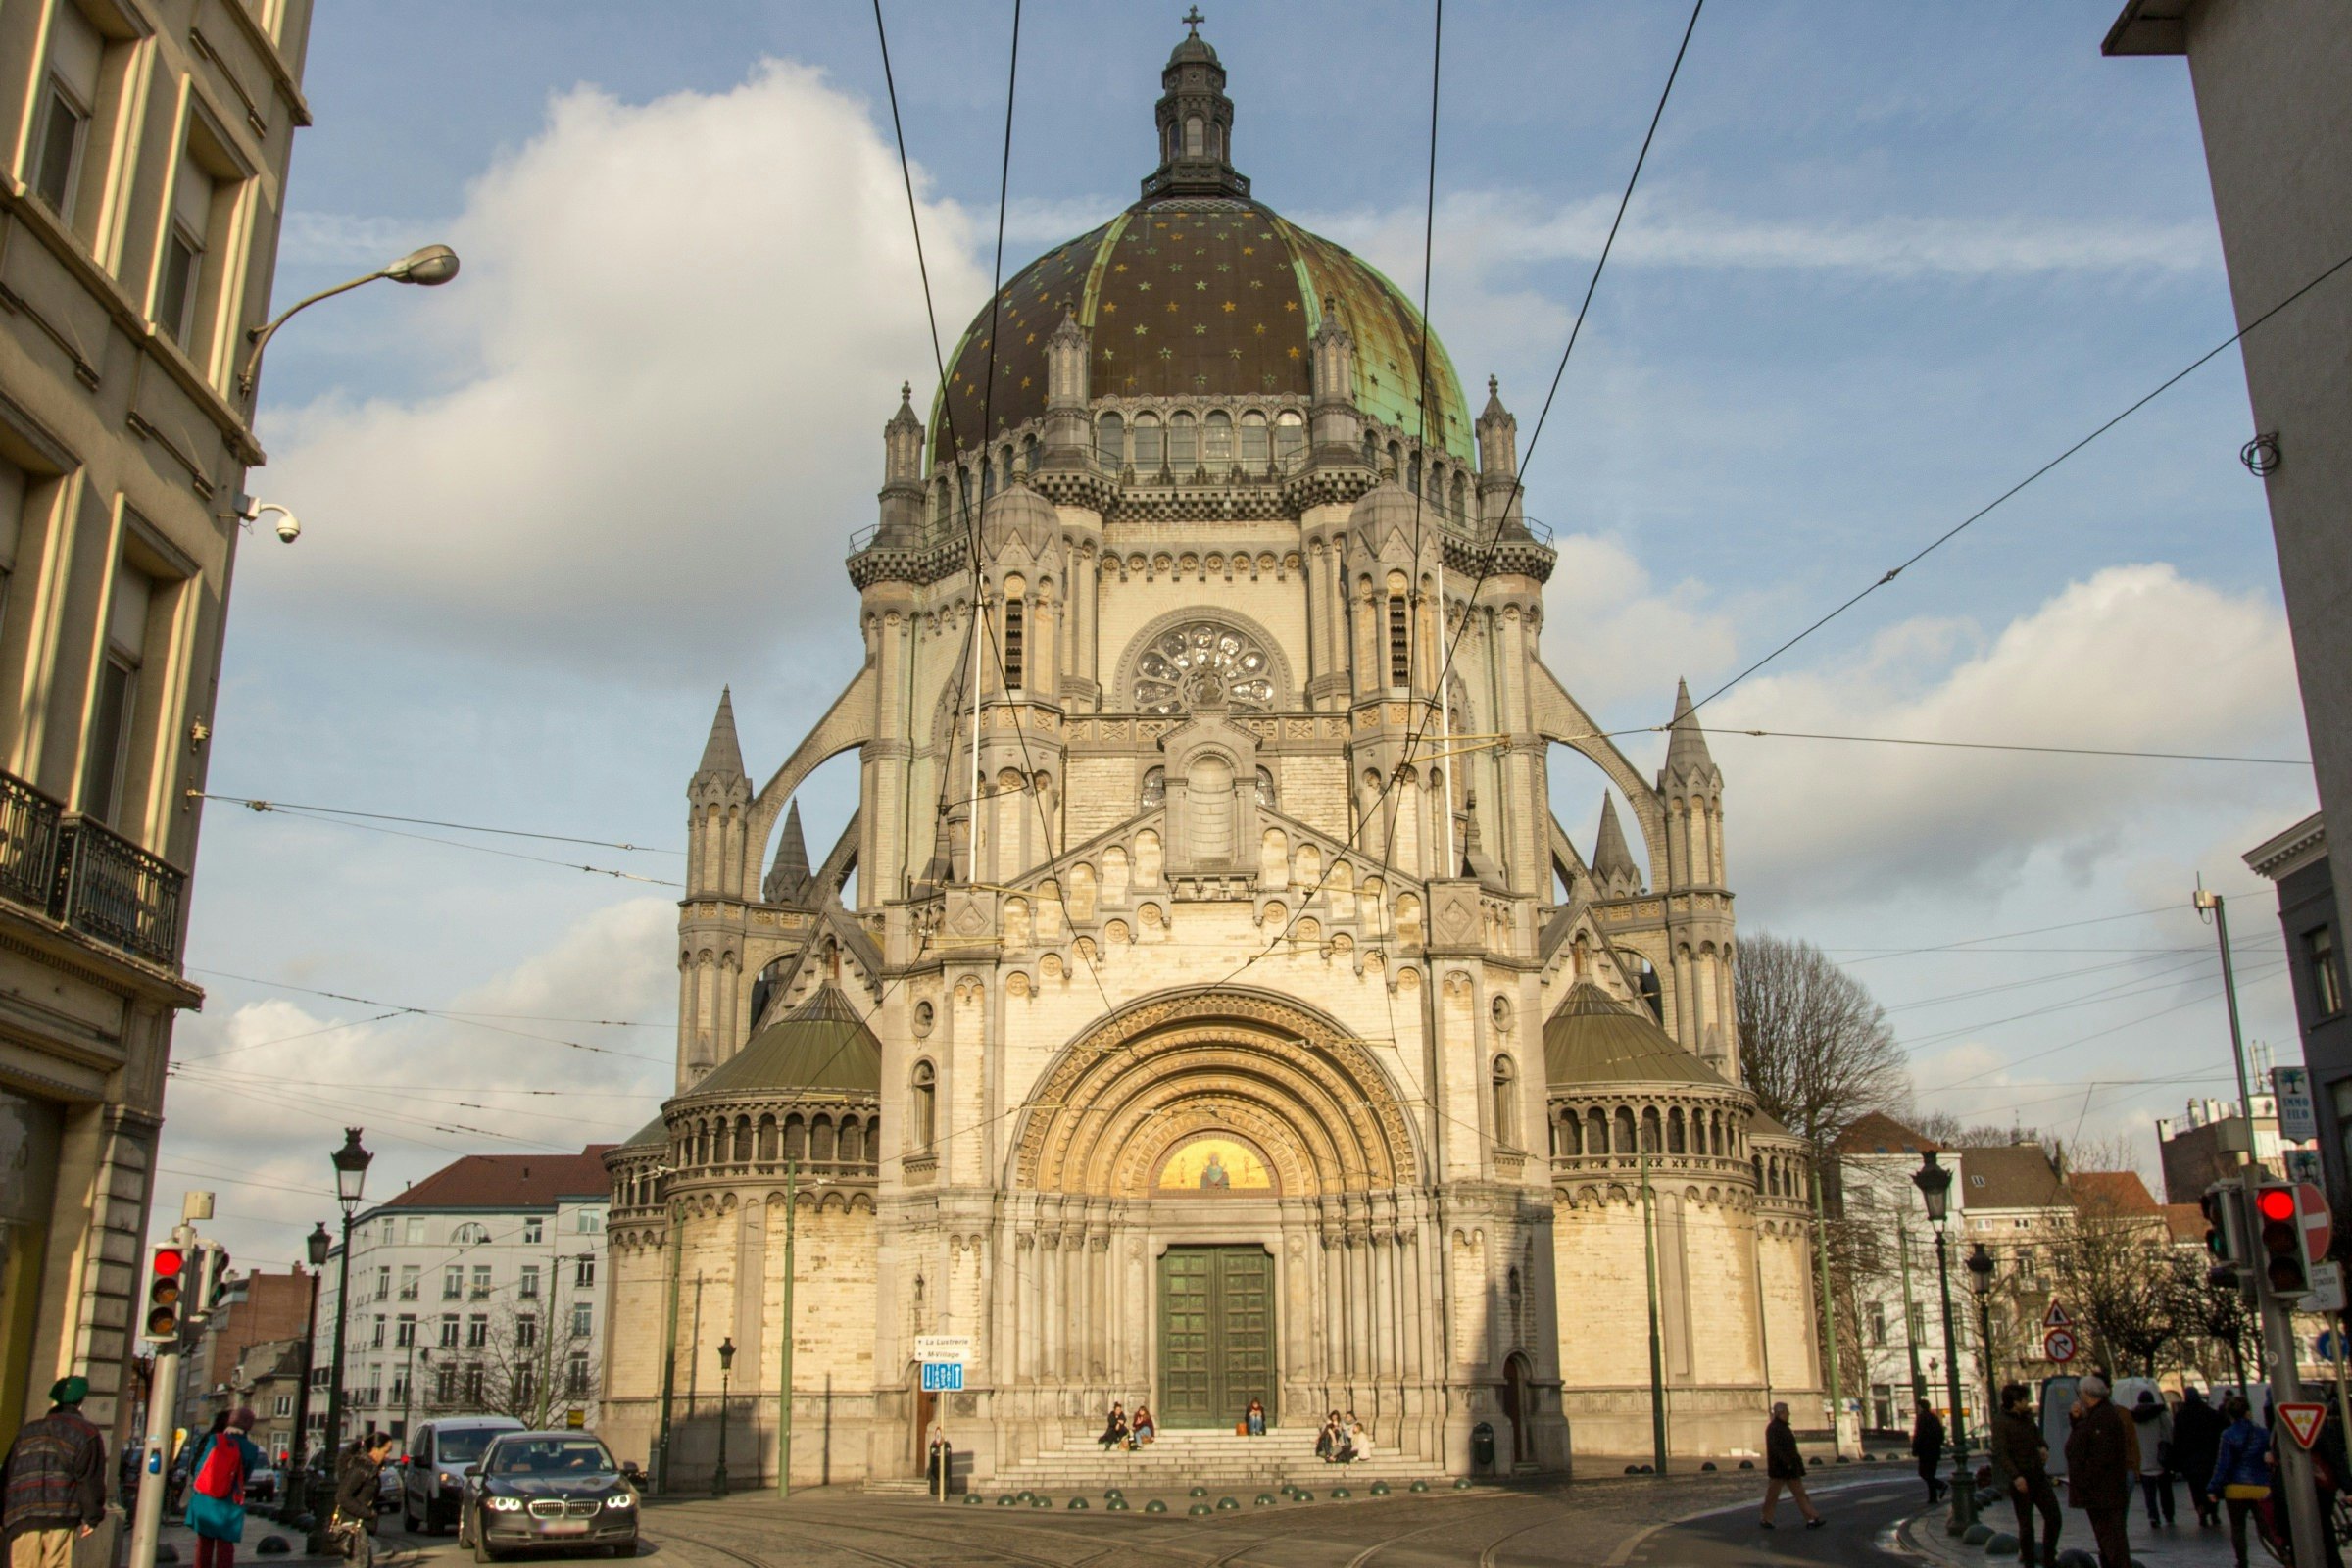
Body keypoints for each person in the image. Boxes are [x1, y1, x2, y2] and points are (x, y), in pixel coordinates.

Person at [1, 1376, 108, 1568]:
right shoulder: (87, 1432)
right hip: (61, 1517)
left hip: (22, 1517)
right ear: (81, 1401)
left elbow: (7, 1475)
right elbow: (91, 1479)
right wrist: (92, 1516)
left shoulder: (28, 1431)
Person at [2065, 1374, 2135, 1568]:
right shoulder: (2097, 1416)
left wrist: (2086, 1480)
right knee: (2108, 1542)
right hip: (2101, 1491)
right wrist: (2076, 1421)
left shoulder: (2102, 1418)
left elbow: (2096, 1454)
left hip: (2103, 1492)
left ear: (2087, 1394)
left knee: (2112, 1542)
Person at [1989, 1382, 2062, 1568]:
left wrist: (2043, 1447)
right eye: (2024, 1400)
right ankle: (2029, 1560)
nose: (2028, 1403)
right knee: (2026, 1525)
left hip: (2038, 1474)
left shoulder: (2027, 1418)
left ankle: (2048, 1556)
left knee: (2054, 1516)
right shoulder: (2001, 1422)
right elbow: (2001, 1452)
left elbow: (2038, 1437)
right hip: (2020, 1478)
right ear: (2015, 1402)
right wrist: (2015, 1476)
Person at [183, 1408, 267, 1568]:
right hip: (229, 1501)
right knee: (225, 1547)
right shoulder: (251, 1449)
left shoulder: (214, 1439)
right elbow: (245, 1476)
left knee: (204, 1544)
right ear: (248, 1426)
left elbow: (199, 1467)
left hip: (206, 1497)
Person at [2209, 1394, 2274, 1568]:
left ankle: (2242, 1561)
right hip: (2260, 1487)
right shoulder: (2262, 1433)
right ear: (2248, 1413)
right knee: (2265, 1526)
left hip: (2235, 1489)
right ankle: (2283, 1554)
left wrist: (2213, 1488)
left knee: (2238, 1528)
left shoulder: (2228, 1435)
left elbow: (2223, 1465)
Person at [331, 1433, 393, 1568]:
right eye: (386, 1451)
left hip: (358, 1527)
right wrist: (368, 1513)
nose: (388, 1456)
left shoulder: (368, 1468)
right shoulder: (362, 1468)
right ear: (375, 1449)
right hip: (354, 1528)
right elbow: (342, 1496)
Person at [1759, 1401, 1824, 1530]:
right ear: (1780, 1413)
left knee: (1799, 1494)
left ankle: (1811, 1518)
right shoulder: (1774, 1428)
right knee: (1774, 1496)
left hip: (1788, 1468)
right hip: (1781, 1469)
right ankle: (1766, 1519)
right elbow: (1775, 1449)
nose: (1789, 1414)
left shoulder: (1782, 1427)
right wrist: (1787, 1462)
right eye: (1787, 1412)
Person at [2173, 1387, 2223, 1529]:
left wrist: (2178, 1461)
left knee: (2196, 1489)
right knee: (2211, 1486)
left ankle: (2201, 1513)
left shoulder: (2181, 1416)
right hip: (2210, 1458)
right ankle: (2214, 1512)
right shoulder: (2210, 1414)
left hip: (2191, 1460)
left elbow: (2177, 1440)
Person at [2130, 1389, 2176, 1529]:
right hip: (2160, 1458)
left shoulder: (2133, 1416)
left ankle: (2153, 1516)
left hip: (2143, 1461)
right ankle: (2168, 1514)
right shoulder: (2160, 1413)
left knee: (2149, 1493)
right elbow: (2168, 1433)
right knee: (2165, 1490)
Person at [1913, 1404, 1947, 1503]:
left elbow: (1918, 1434)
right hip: (1934, 1450)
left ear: (1921, 1407)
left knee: (1923, 1473)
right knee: (1930, 1473)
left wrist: (1915, 1449)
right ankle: (1933, 1497)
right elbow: (1940, 1433)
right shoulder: (1934, 1417)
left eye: (1918, 1407)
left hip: (1925, 1450)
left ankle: (1941, 1485)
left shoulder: (1921, 1418)